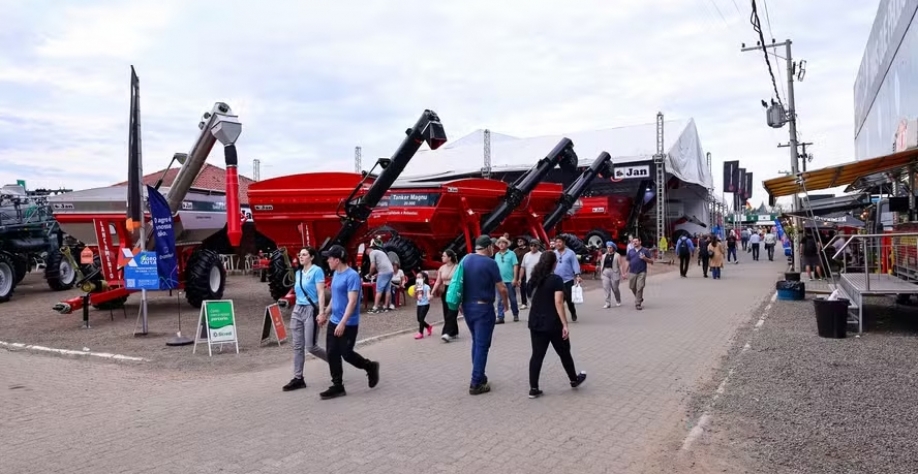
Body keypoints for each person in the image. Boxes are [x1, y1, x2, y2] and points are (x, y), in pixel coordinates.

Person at [317, 245, 380, 400]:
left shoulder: (352, 276)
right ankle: (337, 385)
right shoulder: (336, 274)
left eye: (330, 258)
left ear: (337, 260)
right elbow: (335, 297)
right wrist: (325, 312)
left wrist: (343, 323)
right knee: (332, 353)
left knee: (347, 354)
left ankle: (370, 366)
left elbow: (352, 302)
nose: (327, 260)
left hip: (348, 323)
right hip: (334, 320)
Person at [526, 251, 588, 399]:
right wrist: (565, 324)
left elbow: (530, 298)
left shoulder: (532, 280)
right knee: (564, 352)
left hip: (536, 321)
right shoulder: (556, 280)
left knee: (537, 355)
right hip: (553, 322)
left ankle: (533, 388)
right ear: (554, 264)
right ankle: (573, 379)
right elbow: (558, 302)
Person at [460, 235, 509, 395]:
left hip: (467, 307)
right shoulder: (490, 263)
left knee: (476, 341)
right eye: (492, 247)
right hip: (483, 308)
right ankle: (476, 383)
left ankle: (480, 375)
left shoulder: (466, 259)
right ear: (488, 247)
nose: (493, 250)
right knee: (482, 345)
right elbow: (502, 288)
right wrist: (506, 303)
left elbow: (459, 282)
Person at [283, 247, 329, 392]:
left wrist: (321, 312)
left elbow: (321, 292)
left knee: (311, 346)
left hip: (311, 308)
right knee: (297, 346)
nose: (301, 257)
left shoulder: (317, 271)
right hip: (298, 309)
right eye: (300, 255)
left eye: (304, 254)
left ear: (312, 257)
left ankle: (333, 360)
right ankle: (298, 378)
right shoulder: (298, 273)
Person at [430, 250, 459, 342]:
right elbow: (438, 281)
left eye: (444, 256)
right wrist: (432, 292)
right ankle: (454, 331)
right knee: (446, 311)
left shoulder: (457, 267)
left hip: (454, 289)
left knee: (452, 311)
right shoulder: (442, 268)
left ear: (449, 257)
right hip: (445, 289)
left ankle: (447, 332)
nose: (442, 257)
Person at [552, 236, 582, 322]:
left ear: (564, 243)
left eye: (560, 242)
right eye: (556, 242)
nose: (558, 244)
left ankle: (573, 312)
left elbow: (575, 264)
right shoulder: (554, 253)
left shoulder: (570, 253)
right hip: (557, 280)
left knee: (569, 299)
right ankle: (558, 316)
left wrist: (577, 275)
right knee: (558, 299)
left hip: (568, 279)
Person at [494, 236, 520, 323]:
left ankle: (515, 314)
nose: (501, 244)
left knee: (512, 299)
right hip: (499, 281)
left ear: (506, 244)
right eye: (500, 243)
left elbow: (515, 266)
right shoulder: (497, 255)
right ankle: (501, 317)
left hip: (510, 280)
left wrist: (515, 278)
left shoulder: (511, 253)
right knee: (500, 299)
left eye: (503, 243)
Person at [625, 237, 653, 310]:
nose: (634, 243)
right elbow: (628, 261)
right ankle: (639, 298)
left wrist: (645, 258)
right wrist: (624, 272)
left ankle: (638, 304)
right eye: (633, 242)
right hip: (632, 271)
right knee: (632, 287)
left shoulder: (645, 250)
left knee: (640, 287)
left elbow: (651, 261)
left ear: (640, 242)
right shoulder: (630, 251)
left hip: (642, 271)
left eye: (636, 241)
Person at [367, 243, 394, 313]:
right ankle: (385, 306)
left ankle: (375, 307)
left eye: (366, 252)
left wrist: (370, 274)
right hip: (390, 271)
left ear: (368, 250)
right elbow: (383, 264)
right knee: (387, 289)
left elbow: (372, 266)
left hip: (384, 272)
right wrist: (377, 274)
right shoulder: (380, 252)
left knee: (379, 289)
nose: (367, 254)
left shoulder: (372, 253)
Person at [599, 241, 624, 308]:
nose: (609, 249)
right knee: (606, 287)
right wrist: (601, 272)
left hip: (614, 271)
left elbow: (620, 265)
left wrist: (622, 274)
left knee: (615, 288)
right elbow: (601, 264)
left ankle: (618, 300)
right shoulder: (604, 256)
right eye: (608, 247)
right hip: (605, 272)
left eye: (610, 247)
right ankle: (607, 303)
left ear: (613, 248)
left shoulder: (617, 255)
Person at [519, 239, 542, 307]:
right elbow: (522, 267)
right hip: (528, 281)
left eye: (535, 245)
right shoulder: (526, 255)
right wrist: (520, 278)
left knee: (538, 298)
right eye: (531, 245)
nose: (533, 247)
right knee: (530, 297)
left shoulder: (541, 255)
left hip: (538, 280)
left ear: (538, 246)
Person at [413, 271, 433, 339]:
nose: (417, 279)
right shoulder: (417, 286)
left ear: (424, 278)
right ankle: (428, 327)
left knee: (421, 318)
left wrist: (429, 297)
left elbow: (428, 294)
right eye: (417, 278)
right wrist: (415, 292)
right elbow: (415, 297)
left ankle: (420, 333)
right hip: (419, 304)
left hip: (425, 304)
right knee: (419, 319)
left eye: (419, 277)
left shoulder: (427, 287)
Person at [514, 237, 531, 309]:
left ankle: (531, 301)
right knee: (522, 287)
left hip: (528, 269)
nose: (519, 242)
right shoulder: (515, 250)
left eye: (521, 240)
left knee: (529, 286)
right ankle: (524, 303)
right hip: (519, 270)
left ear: (524, 241)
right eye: (518, 241)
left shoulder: (528, 249)